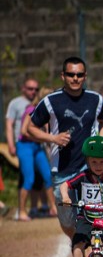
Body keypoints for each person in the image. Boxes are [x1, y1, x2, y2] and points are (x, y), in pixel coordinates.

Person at [26, 56, 103, 239]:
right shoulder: (51, 101)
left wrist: (99, 143)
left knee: (95, 217)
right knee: (67, 223)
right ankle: (76, 241)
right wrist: (53, 138)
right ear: (63, 75)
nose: (75, 78)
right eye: (71, 74)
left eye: (79, 74)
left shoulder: (95, 99)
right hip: (62, 169)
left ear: (85, 76)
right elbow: (30, 128)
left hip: (90, 167)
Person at [17, 87, 57, 222]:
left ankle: (53, 208)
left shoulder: (44, 112)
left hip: (37, 146)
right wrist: (41, 138)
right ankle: (21, 211)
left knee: (47, 175)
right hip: (25, 146)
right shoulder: (31, 110)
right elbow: (23, 131)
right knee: (29, 178)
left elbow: (47, 130)